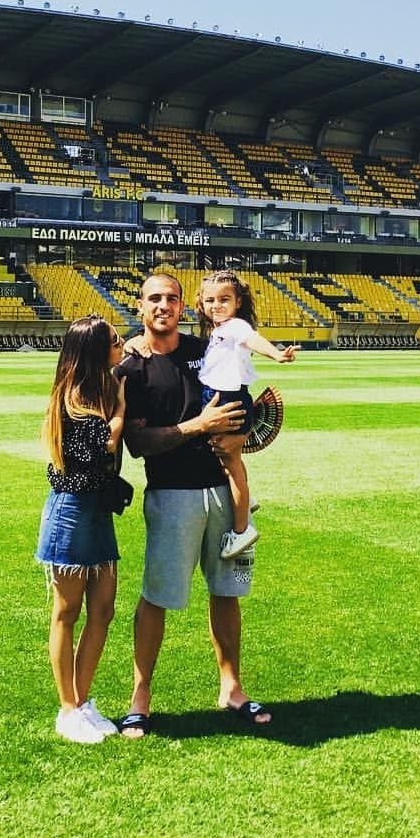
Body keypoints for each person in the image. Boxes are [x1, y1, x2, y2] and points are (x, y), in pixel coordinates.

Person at [115, 273, 272, 739]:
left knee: (228, 590)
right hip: (172, 496)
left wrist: (243, 434)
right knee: (157, 596)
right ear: (140, 305)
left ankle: (232, 688)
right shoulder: (132, 367)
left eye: (171, 298)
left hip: (224, 491)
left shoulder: (201, 351)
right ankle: (140, 697)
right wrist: (199, 426)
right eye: (154, 298)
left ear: (185, 305)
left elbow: (240, 392)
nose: (164, 305)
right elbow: (138, 442)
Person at [35, 314, 127, 744]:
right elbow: (99, 449)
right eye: (114, 340)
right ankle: (67, 708)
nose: (121, 343)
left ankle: (83, 700)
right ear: (95, 351)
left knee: (103, 609)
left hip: (97, 513)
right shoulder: (73, 399)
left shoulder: (101, 387)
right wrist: (121, 413)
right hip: (71, 513)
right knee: (67, 612)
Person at [196, 269, 297, 559]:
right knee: (229, 460)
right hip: (220, 396)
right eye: (210, 300)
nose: (216, 305)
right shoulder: (217, 330)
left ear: (238, 301)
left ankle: (241, 531)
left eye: (224, 299)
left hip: (229, 398)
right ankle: (246, 499)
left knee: (230, 464)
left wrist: (277, 354)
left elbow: (253, 339)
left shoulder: (235, 326)